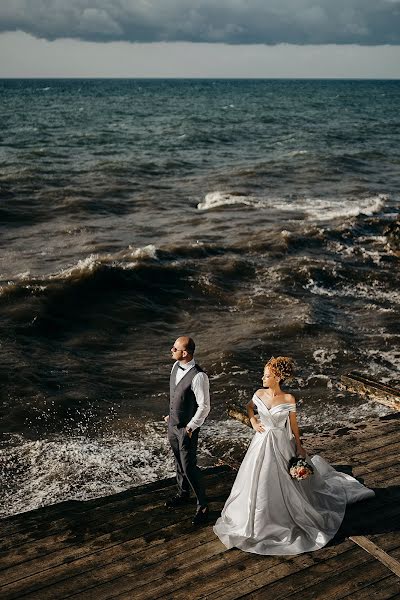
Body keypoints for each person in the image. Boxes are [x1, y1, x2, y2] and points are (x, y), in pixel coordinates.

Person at [213, 356, 375, 554]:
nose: (262, 378)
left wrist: (299, 446)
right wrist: (254, 422)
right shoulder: (258, 393)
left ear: (277, 377)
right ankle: (256, 521)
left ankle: (280, 518)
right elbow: (249, 408)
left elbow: (293, 426)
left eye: (266, 376)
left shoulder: (289, 399)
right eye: (263, 375)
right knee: (257, 478)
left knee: (284, 479)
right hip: (261, 442)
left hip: (282, 443)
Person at [164, 336, 210, 525]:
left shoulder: (199, 376)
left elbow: (204, 406)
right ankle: (183, 494)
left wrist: (190, 427)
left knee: (189, 467)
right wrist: (170, 416)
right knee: (178, 462)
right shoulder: (175, 367)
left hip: (186, 430)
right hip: (172, 426)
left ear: (185, 353)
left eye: (174, 348)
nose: (171, 350)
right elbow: (176, 396)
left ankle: (203, 505)